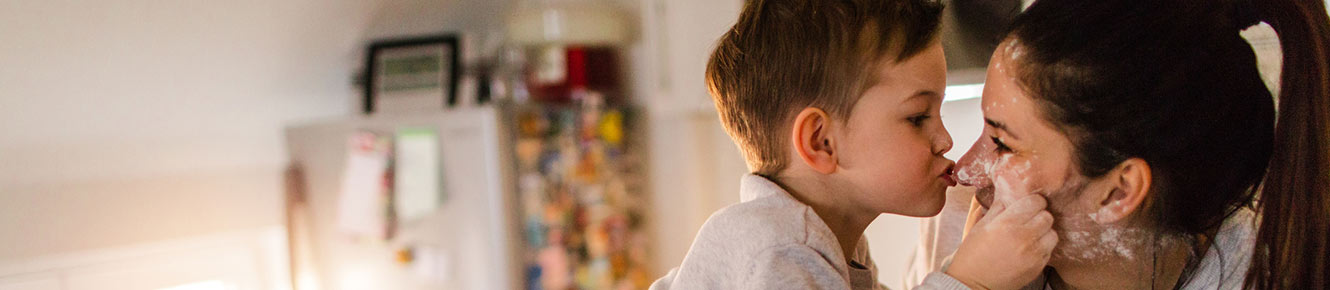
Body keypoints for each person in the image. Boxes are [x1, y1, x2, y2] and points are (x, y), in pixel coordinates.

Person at [913, 0, 1330, 288]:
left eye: (1002, 143)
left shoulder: (1264, 269)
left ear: (1120, 191)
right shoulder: (965, 228)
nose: (964, 171)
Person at [650, 0, 1059, 289]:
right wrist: (970, 280)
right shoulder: (776, 247)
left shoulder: (830, 242)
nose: (946, 140)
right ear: (821, 142)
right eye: (917, 118)